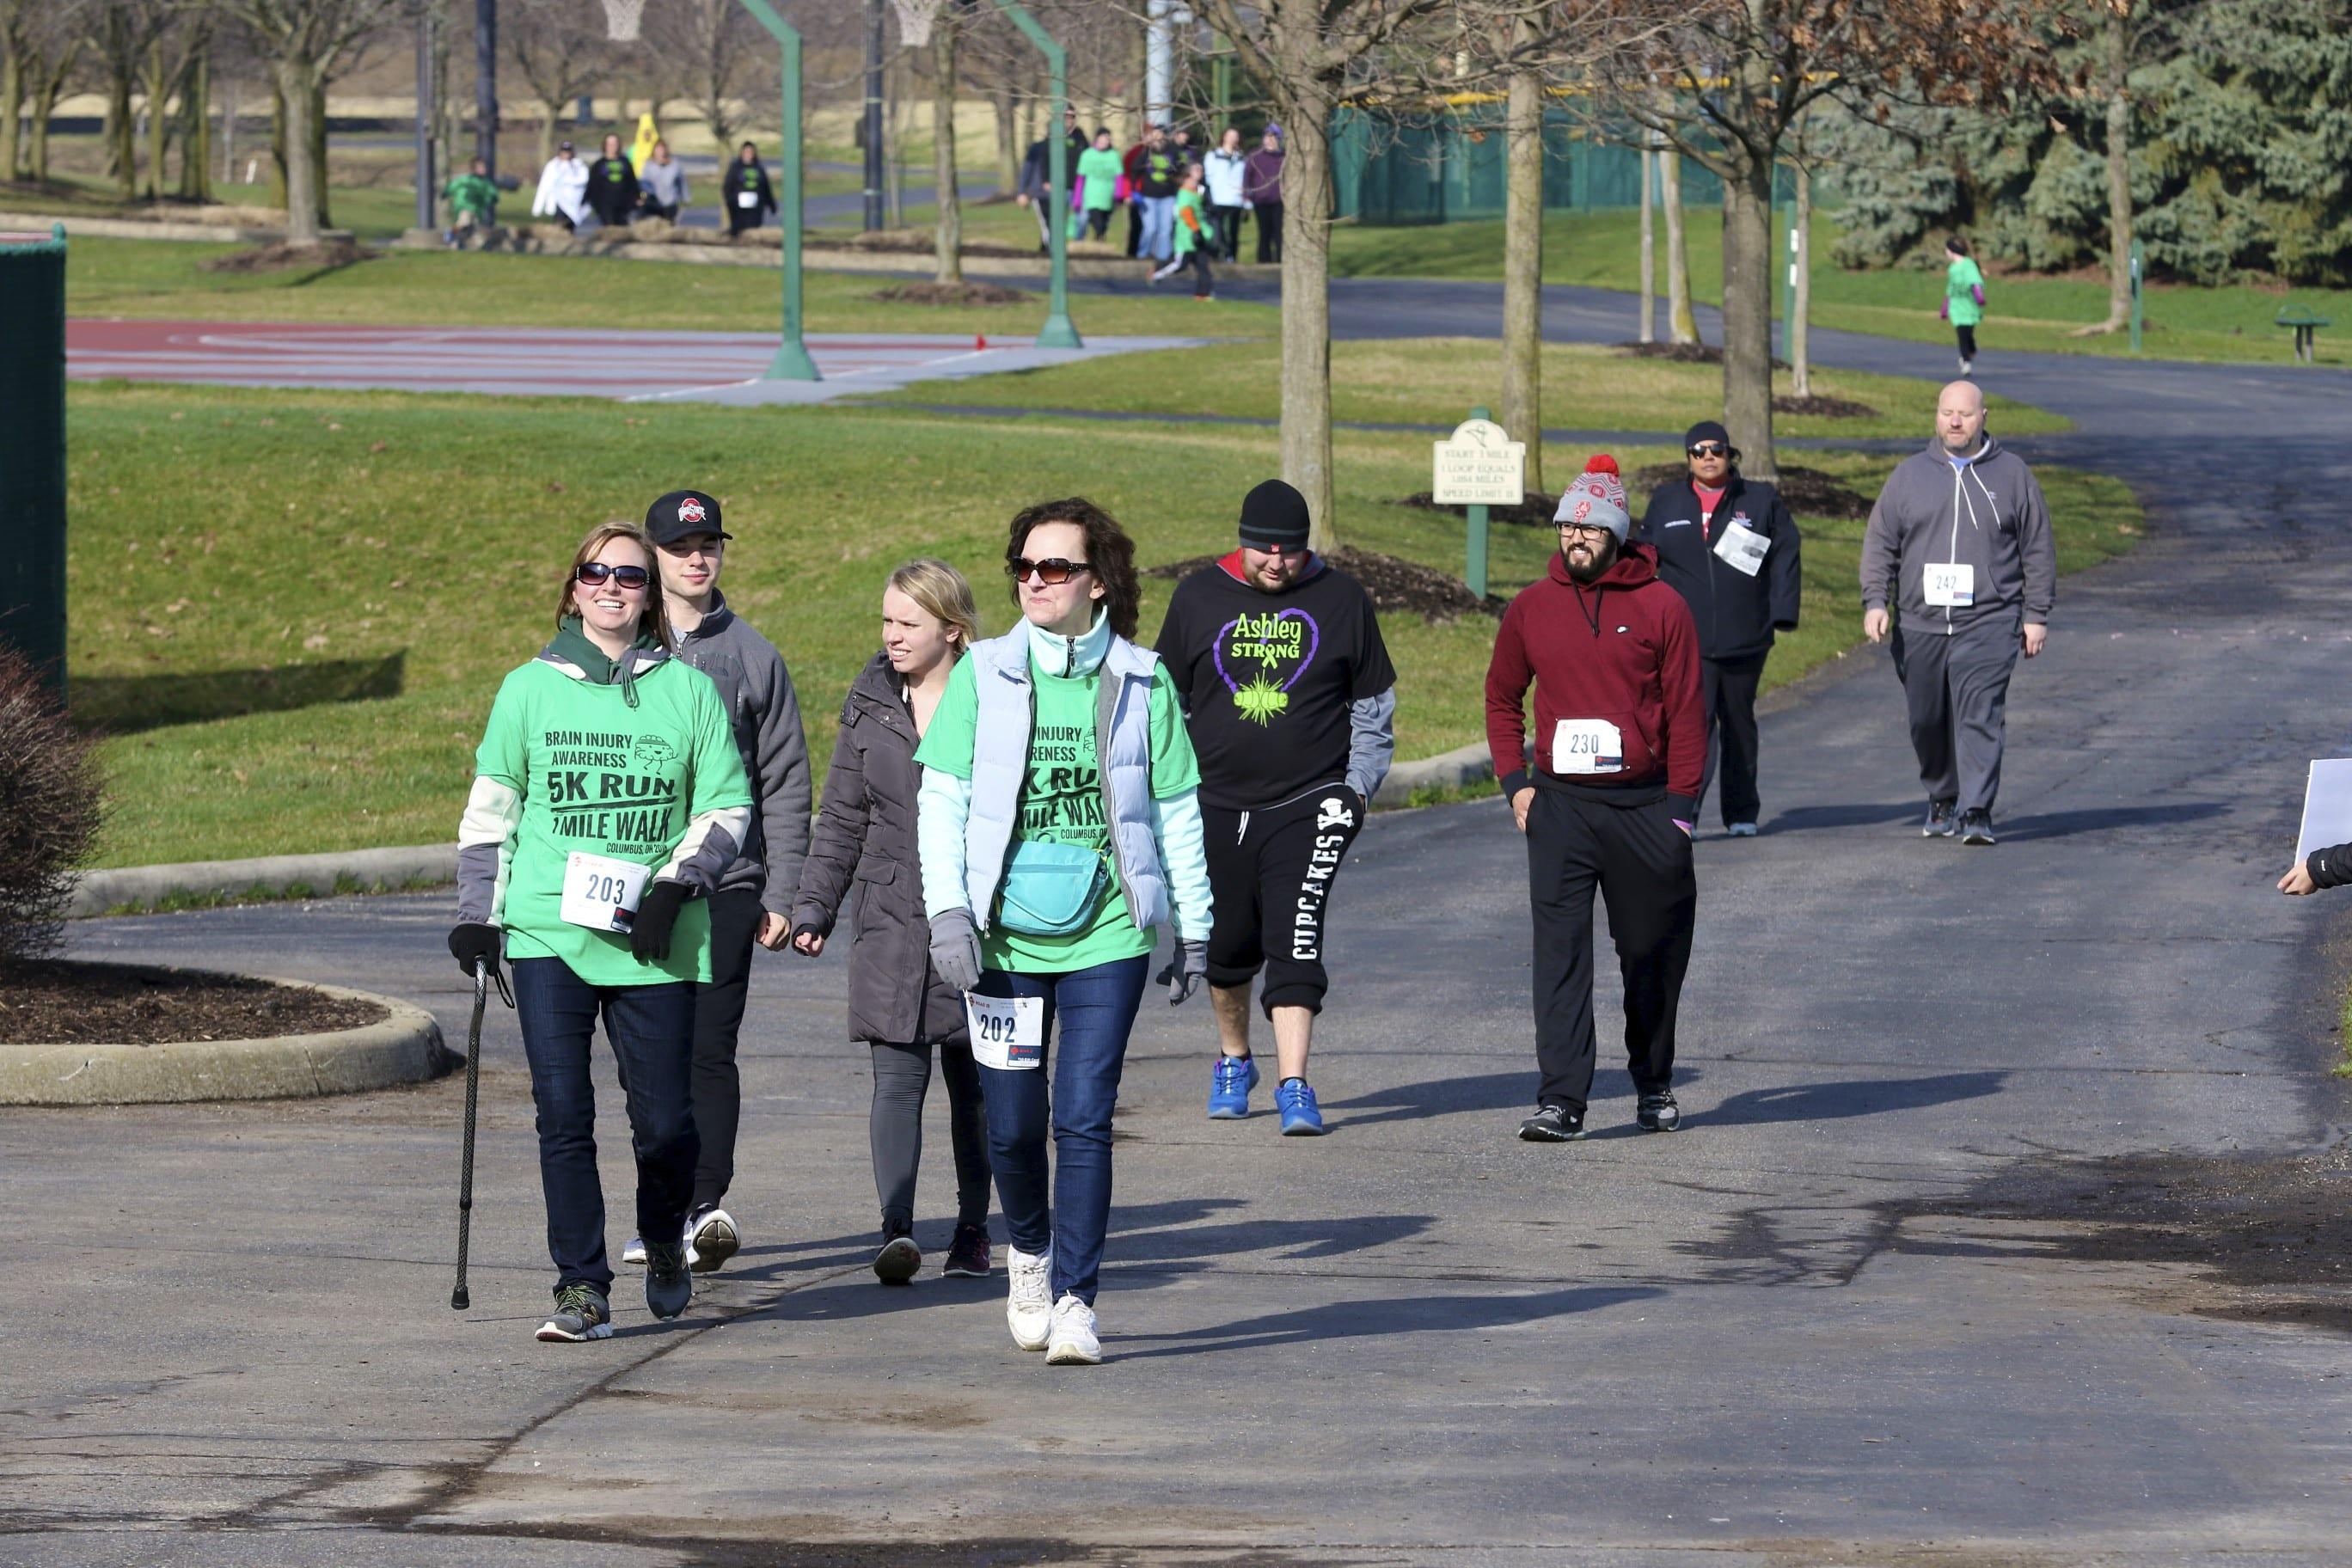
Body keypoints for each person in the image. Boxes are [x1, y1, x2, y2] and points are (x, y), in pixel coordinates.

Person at [915, 498, 1215, 1367]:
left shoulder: (1143, 681)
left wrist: (1194, 927)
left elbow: (1177, 810)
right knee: (1010, 1127)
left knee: (1082, 1118)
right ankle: (1032, 1255)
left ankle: (1080, 1298)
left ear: (1098, 582)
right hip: (1003, 940)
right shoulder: (984, 673)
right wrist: (947, 914)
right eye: (1025, 566)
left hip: (1108, 937)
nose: (1034, 581)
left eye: (1055, 567)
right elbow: (943, 801)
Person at [449, 521, 752, 1343]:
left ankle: (663, 1239)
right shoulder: (528, 688)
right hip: (548, 931)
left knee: (664, 1126)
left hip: (654, 936)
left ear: (651, 593)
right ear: (573, 586)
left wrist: (674, 884)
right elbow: (492, 810)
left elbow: (727, 805)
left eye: (628, 575)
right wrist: (479, 918)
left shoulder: (687, 691)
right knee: (561, 1112)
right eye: (595, 573)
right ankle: (580, 1287)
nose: (611, 587)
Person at [1153, 480, 1396, 1135]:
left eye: (1289, 551)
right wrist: (1164, 792)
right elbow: (1163, 702)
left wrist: (1355, 791)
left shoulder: (1342, 599)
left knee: (1296, 934)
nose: (1277, 562)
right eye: (1264, 549)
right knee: (1226, 947)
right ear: (1241, 540)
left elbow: (1374, 710)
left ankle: (1295, 1082)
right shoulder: (1198, 597)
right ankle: (1235, 1059)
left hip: (1309, 800)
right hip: (1214, 803)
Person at [614, 491, 810, 1277]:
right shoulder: (619, 649)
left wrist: (784, 893)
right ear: (654, 556)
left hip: (730, 882)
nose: (697, 558)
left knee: (708, 1046)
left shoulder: (754, 657)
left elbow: (787, 781)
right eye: (680, 546)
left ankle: (703, 1208)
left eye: (710, 545)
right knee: (644, 1056)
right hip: (633, 881)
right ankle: (659, 1211)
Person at [1485, 456, 1703, 1144]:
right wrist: (1515, 783)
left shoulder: (1662, 606)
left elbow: (1691, 714)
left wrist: (1681, 812)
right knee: (1559, 956)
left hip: (1644, 808)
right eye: (1566, 529)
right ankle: (1562, 1099)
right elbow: (1501, 697)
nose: (1575, 540)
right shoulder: (1531, 608)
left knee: (1649, 952)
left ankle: (1653, 1079)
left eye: (1588, 529)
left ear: (1615, 533)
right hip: (1560, 807)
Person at [791, 561, 995, 1284]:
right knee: (896, 1079)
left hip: (977, 920)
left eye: (908, 624)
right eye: (887, 621)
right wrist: (814, 905)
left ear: (952, 629)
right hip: (886, 916)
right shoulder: (871, 695)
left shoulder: (996, 695)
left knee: (976, 1090)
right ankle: (897, 1230)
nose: (892, 637)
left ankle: (973, 1232)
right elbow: (843, 812)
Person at [1860, 381, 2053, 847]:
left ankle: (1976, 810)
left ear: (1983, 416)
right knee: (1926, 719)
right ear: (1937, 416)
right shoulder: (1909, 476)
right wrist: (1875, 601)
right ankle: (1942, 794)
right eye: (1947, 412)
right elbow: (1881, 542)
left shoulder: (2012, 475)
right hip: (1920, 622)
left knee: (1979, 714)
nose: (1954, 421)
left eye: (1964, 414)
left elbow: (2037, 547)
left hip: (1988, 620)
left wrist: (2036, 614)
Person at [1632, 420, 1802, 836]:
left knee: (1739, 723)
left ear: (1730, 454)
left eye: (1717, 450)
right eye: (1698, 451)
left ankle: (1742, 812)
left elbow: (1786, 552)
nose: (1708, 457)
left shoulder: (1760, 500)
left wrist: (1782, 611)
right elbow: (1645, 557)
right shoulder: (1667, 500)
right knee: (1693, 725)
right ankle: (1683, 813)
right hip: (1686, 640)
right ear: (1688, 458)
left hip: (1746, 637)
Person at [1017, 107, 1087, 254]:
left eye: (1071, 117)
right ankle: (1054, 253)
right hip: (1041, 194)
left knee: (1057, 224)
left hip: (1059, 192)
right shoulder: (1038, 147)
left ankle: (1046, 252)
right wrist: (1022, 192)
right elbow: (1027, 170)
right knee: (1048, 225)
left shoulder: (1071, 144)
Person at [1150, 162, 1214, 300]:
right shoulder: (1184, 192)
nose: (1200, 171)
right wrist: (1196, 230)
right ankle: (1157, 271)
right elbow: (1186, 213)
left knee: (1203, 265)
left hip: (1200, 233)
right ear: (1188, 174)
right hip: (1188, 234)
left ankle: (1202, 294)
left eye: (1201, 169)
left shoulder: (1200, 190)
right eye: (1196, 169)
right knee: (1180, 264)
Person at [1132, 123, 1184, 273]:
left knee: (1165, 229)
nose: (1158, 137)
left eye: (1160, 134)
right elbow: (1135, 169)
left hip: (1167, 196)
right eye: (1155, 134)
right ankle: (1142, 255)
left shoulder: (1173, 150)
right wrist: (1134, 191)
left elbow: (1180, 168)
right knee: (1150, 228)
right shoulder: (1146, 151)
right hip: (1148, 196)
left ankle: (1163, 259)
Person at [1942, 236, 1987, 377]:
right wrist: (1945, 306)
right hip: (1957, 307)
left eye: (1947, 249)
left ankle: (1971, 350)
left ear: (1953, 250)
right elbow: (1951, 287)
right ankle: (1966, 364)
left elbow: (1975, 281)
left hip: (1969, 306)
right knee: (1961, 334)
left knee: (1968, 335)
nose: (1946, 252)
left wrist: (1979, 296)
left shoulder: (1968, 265)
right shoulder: (1952, 268)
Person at [1203, 126, 1249, 260]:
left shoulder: (1241, 158)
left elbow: (1244, 178)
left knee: (1233, 231)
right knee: (1218, 230)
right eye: (1230, 135)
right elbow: (1208, 177)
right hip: (1218, 199)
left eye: (1236, 136)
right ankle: (1219, 254)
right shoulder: (1213, 155)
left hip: (1235, 200)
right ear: (1224, 137)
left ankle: (1232, 256)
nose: (1233, 139)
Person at [1074, 127, 1123, 243]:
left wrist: (1119, 195)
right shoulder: (1087, 155)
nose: (1105, 142)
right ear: (1097, 139)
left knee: (1104, 223)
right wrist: (1077, 199)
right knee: (1096, 222)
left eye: (1107, 140)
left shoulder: (1114, 156)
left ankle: (1098, 242)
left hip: (1107, 196)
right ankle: (1083, 242)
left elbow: (1119, 177)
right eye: (1102, 139)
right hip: (1091, 196)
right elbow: (1081, 178)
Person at [1244, 126, 1284, 264]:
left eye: (1273, 137)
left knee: (1279, 233)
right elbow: (1247, 177)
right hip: (1260, 201)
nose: (1270, 140)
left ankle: (1280, 260)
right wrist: (1248, 197)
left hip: (1279, 200)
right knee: (1264, 232)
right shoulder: (1255, 156)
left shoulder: (1283, 156)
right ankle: (1263, 261)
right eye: (1267, 137)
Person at [584, 132, 641, 230]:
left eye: (615, 144)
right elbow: (592, 185)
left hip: (623, 205)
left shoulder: (625, 162)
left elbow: (632, 182)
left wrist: (637, 197)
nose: (612, 147)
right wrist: (590, 201)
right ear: (605, 146)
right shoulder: (599, 165)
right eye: (609, 144)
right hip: (605, 205)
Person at [530, 140, 588, 232]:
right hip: (558, 201)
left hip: (573, 202)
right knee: (559, 225)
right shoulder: (552, 165)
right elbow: (544, 185)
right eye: (564, 151)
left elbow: (583, 179)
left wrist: (567, 181)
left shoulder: (578, 165)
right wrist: (537, 207)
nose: (566, 154)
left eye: (568, 151)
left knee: (570, 226)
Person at [723, 142, 777, 237]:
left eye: (751, 152)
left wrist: (771, 204)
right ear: (742, 153)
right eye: (746, 152)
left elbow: (766, 187)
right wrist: (730, 200)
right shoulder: (735, 168)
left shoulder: (759, 168)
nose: (749, 154)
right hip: (738, 206)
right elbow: (727, 186)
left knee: (753, 230)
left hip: (756, 207)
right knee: (738, 229)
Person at [443, 156, 500, 247]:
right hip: (463, 206)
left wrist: (493, 197)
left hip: (477, 210)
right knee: (464, 222)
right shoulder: (465, 180)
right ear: (474, 169)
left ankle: (461, 243)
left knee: (471, 229)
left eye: (484, 167)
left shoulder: (485, 183)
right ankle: (450, 232)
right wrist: (446, 192)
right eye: (481, 167)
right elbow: (454, 185)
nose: (484, 169)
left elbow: (491, 192)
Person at [637, 138, 689, 223]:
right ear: (654, 151)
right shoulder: (649, 166)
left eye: (662, 149)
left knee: (670, 229)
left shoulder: (675, 165)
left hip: (670, 203)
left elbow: (682, 183)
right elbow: (643, 185)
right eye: (658, 149)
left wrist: (685, 198)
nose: (661, 152)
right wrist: (643, 197)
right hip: (654, 203)